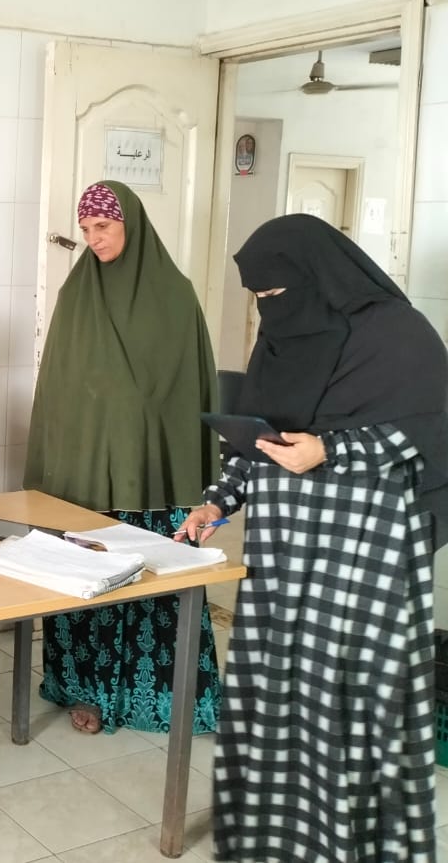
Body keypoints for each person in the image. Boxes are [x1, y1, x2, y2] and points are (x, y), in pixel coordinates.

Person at [176, 214, 448, 862]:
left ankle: (351, 844)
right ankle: (281, 840)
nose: (269, 309)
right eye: (259, 298)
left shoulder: (398, 334)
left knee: (348, 703)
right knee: (279, 691)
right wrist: (217, 500)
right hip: (283, 554)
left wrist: (331, 449)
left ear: (317, 276)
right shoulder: (278, 341)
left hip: (363, 555)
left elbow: (428, 432)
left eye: (276, 293)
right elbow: (259, 435)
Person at [23, 180, 224, 736]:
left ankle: (162, 698)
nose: (95, 239)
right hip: (86, 474)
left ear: (130, 224)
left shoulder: (175, 296)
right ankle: (85, 692)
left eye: (104, 227)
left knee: (152, 586)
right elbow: (58, 390)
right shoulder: (76, 295)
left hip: (153, 473)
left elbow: (191, 392)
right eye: (87, 229)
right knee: (87, 581)